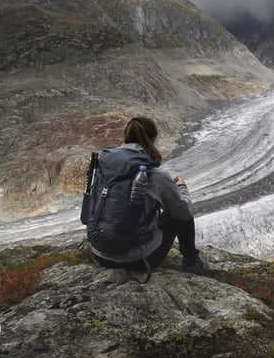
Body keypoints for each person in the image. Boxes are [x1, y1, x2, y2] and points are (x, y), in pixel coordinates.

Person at [89, 116, 208, 275]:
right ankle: (191, 261)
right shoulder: (154, 174)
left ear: (126, 136)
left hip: (100, 254)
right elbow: (183, 211)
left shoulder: (105, 166)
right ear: (152, 139)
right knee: (179, 212)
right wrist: (181, 187)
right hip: (138, 260)